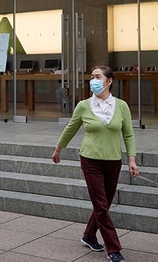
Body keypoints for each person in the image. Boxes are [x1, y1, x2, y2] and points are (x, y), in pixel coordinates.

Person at [52, 65, 139, 262]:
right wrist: (58, 149)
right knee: (100, 205)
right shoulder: (83, 105)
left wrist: (131, 159)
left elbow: (128, 133)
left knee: (104, 204)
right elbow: (71, 128)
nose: (93, 80)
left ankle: (89, 236)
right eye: (92, 77)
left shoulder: (122, 106)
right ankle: (113, 249)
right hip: (90, 160)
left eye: (98, 77)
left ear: (109, 82)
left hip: (113, 161)